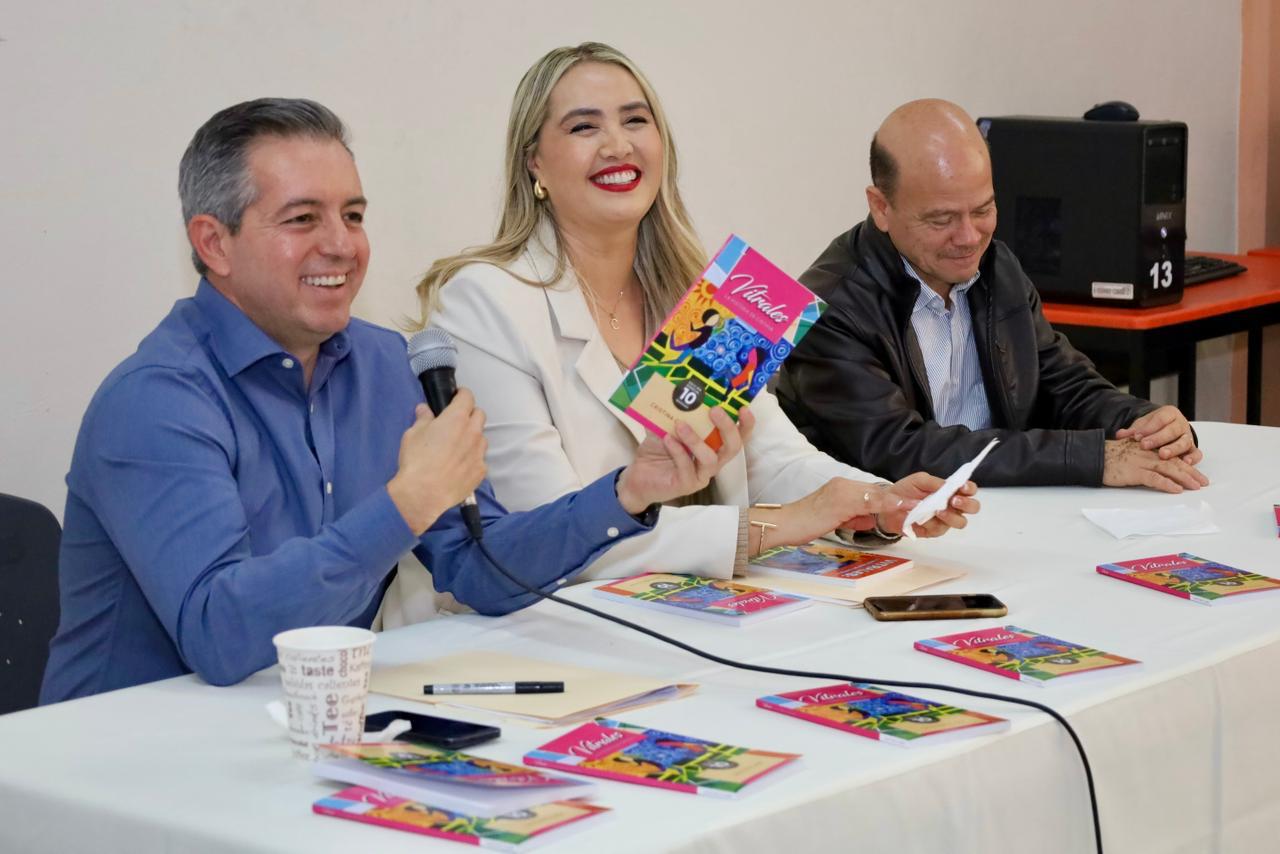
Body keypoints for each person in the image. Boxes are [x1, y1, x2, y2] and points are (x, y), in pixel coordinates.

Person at [40, 98, 745, 704]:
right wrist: (406, 504)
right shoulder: (156, 400)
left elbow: (479, 567)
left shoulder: (385, 364)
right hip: (127, 755)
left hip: (308, 724)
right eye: (302, 219)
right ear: (213, 243)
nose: (341, 245)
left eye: (353, 215)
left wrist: (625, 492)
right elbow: (220, 636)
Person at [413, 43, 980, 586]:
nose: (617, 145)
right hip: (538, 623)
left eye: (636, 121)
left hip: (677, 609)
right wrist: (776, 527)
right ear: (534, 161)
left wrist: (878, 501)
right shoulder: (484, 300)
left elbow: (774, 460)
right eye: (584, 127)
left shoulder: (698, 292)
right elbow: (549, 529)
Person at [776, 99, 1208, 493]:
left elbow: (1062, 383)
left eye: (983, 210)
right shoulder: (826, 308)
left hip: (1001, 505)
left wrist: (1143, 423)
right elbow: (901, 451)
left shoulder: (996, 266)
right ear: (881, 207)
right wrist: (1091, 457)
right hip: (889, 526)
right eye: (941, 219)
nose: (969, 237)